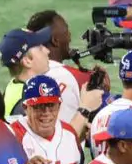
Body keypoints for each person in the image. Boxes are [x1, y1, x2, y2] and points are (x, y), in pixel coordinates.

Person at [24, 9, 106, 137]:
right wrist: (102, 86)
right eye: (66, 31)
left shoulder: (20, 77)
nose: (70, 35)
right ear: (55, 40)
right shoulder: (78, 79)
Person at [0, 26, 53, 118]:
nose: (47, 51)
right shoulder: (28, 99)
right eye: (40, 48)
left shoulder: (13, 86)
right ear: (27, 61)